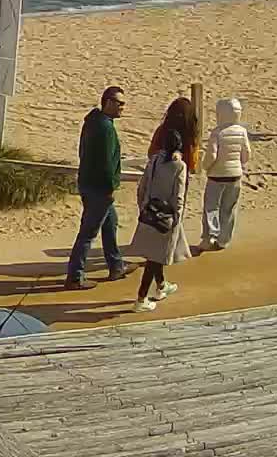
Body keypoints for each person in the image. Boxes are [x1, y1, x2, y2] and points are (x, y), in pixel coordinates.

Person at [66, 86, 131, 289]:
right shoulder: (104, 128)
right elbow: (106, 164)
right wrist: (110, 187)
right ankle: (75, 276)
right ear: (108, 102)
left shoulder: (95, 122)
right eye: (119, 103)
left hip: (89, 183)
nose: (123, 107)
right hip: (99, 189)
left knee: (110, 224)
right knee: (88, 232)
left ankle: (116, 265)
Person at [130, 126, 191, 311]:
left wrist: (142, 206)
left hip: (150, 211)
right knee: (154, 258)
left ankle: (161, 285)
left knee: (154, 253)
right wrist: (177, 219)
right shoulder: (179, 166)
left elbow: (142, 186)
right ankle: (141, 299)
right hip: (166, 216)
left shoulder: (154, 161)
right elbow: (178, 196)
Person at [201, 97, 250, 250]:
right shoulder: (242, 132)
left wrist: (205, 166)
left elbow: (212, 155)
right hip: (235, 175)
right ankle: (223, 240)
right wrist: (240, 165)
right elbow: (247, 153)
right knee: (229, 208)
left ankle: (209, 238)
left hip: (216, 175)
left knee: (211, 207)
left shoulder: (217, 132)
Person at [148, 96, 201, 175]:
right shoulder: (190, 135)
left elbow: (151, 153)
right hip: (180, 173)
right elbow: (192, 163)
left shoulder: (162, 130)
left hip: (159, 173)